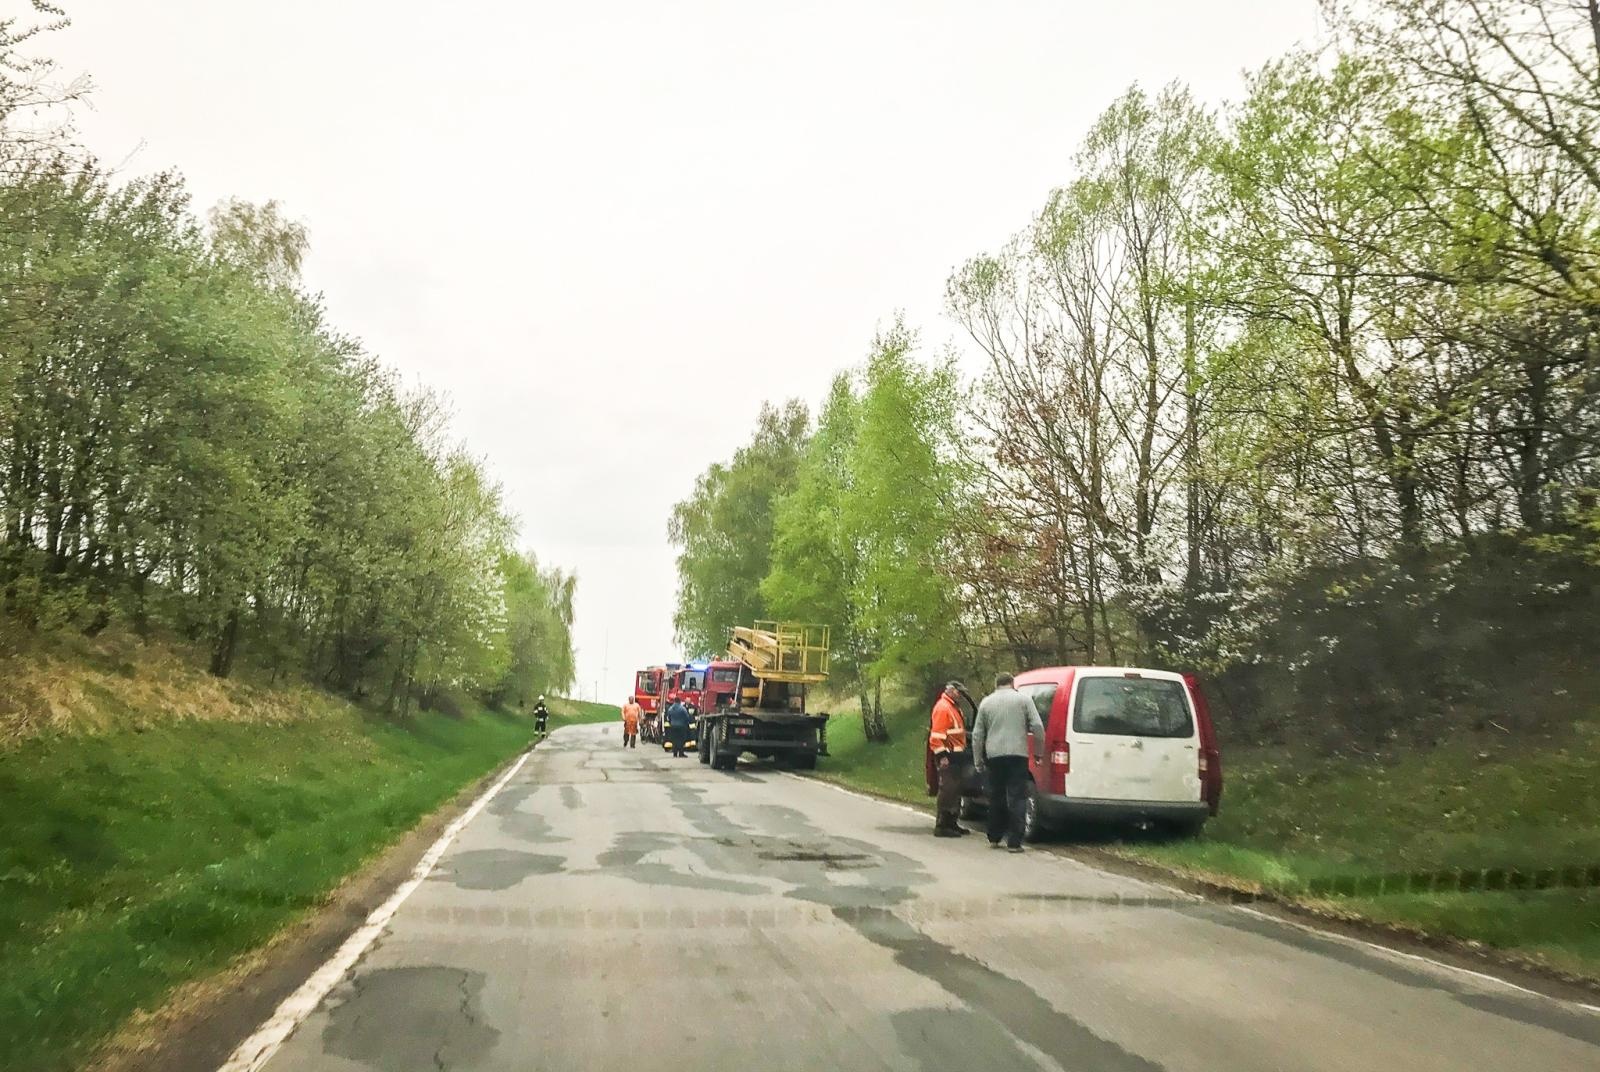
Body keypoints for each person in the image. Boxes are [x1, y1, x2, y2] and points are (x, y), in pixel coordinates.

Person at [971, 672, 1044, 853]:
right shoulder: (1024, 701)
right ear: (1012, 683)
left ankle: (994, 837)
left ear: (996, 684)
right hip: (1018, 754)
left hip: (994, 755)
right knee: (1017, 797)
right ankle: (1014, 842)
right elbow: (1038, 726)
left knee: (996, 796)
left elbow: (977, 735)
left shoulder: (986, 703)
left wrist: (977, 759)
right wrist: (1038, 753)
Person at [927, 681, 972, 838]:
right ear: (951, 691)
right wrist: (942, 756)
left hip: (956, 755)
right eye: (958, 692)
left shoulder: (952, 707)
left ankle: (951, 823)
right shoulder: (943, 708)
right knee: (947, 790)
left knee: (955, 791)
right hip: (948, 756)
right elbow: (936, 736)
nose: (960, 695)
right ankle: (942, 825)